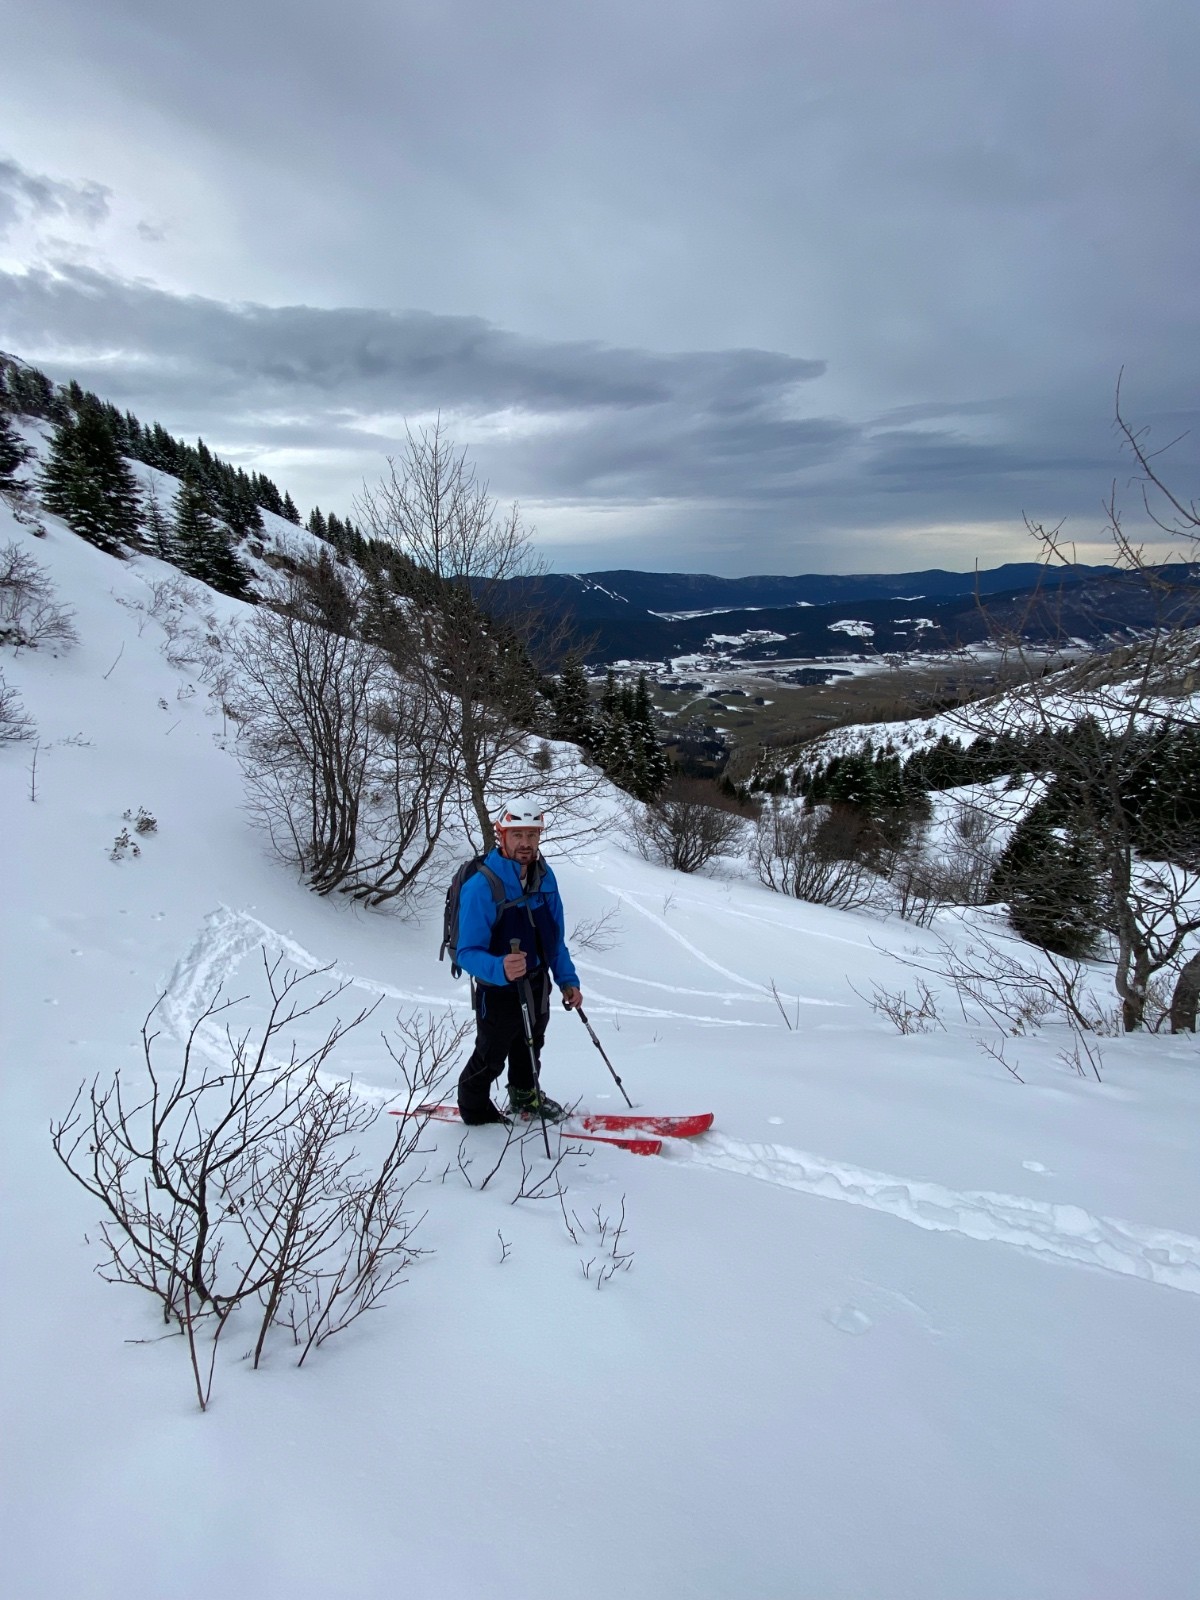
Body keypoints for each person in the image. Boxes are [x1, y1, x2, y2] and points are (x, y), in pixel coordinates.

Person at [454, 800, 583, 1124]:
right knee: (490, 1055)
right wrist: (499, 968)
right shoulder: (482, 885)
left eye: (532, 834)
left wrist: (568, 980)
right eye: (517, 835)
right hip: (497, 990)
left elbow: (553, 939)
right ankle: (474, 1112)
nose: (525, 843)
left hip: (537, 982)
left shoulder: (544, 877)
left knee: (531, 1043)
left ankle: (525, 1096)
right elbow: (466, 951)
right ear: (502, 836)